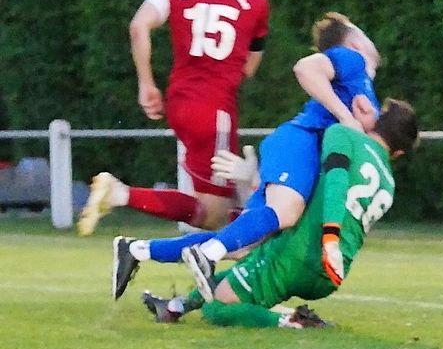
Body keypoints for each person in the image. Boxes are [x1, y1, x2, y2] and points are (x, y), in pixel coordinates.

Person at [110, 12, 382, 300]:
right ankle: (208, 254)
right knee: (285, 213)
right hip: (300, 143)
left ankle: (136, 249)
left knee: (245, 245)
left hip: (300, 151)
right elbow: (305, 68)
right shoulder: (355, 62)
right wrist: (346, 116)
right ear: (353, 43)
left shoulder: (363, 83)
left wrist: (356, 121)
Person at [141, 99, 419, 329]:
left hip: (300, 253)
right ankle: (174, 308)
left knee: (217, 309)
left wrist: (330, 236)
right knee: (235, 273)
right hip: (331, 272)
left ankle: (292, 321)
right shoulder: (389, 184)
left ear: (377, 120)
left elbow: (336, 182)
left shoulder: (344, 134)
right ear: (397, 153)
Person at [78, 0, 270, 235]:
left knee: (220, 203)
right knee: (215, 216)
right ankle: (121, 195)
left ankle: (230, 262)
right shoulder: (256, 3)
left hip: (180, 105)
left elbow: (139, 26)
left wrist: (146, 83)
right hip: (215, 110)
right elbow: (249, 67)